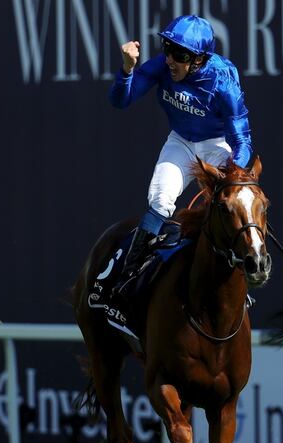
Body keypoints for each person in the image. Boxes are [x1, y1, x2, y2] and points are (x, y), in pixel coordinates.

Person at [108, 14, 252, 294]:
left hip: (215, 145)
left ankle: (241, 280)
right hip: (180, 142)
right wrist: (127, 70)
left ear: (200, 59)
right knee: (160, 203)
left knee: (234, 203)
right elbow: (120, 101)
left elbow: (242, 140)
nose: (171, 59)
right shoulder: (163, 66)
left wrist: (235, 172)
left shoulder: (222, 81)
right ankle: (126, 280)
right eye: (167, 48)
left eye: (181, 54)